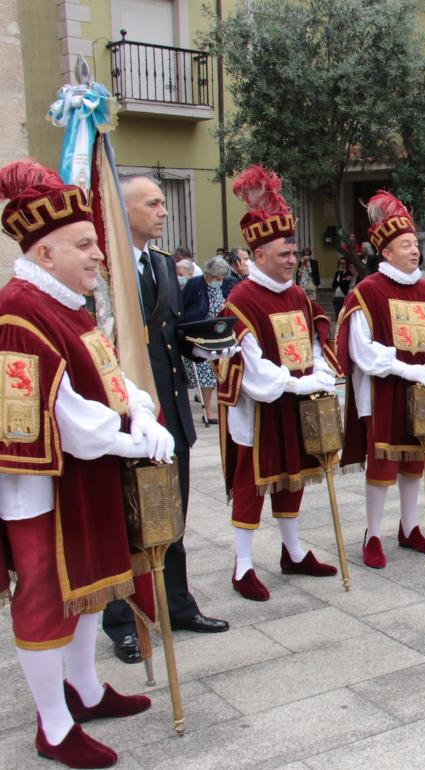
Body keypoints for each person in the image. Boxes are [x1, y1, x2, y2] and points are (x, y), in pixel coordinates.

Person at [0, 159, 174, 768]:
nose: (100, 254)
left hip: (84, 471)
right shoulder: (21, 311)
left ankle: (87, 689)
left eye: (97, 242)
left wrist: (143, 411)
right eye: (85, 244)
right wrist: (135, 440)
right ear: (44, 254)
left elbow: (109, 380)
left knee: (89, 588)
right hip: (41, 485)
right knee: (47, 593)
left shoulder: (66, 304)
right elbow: (68, 417)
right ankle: (53, 725)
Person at [101, 175, 230, 667]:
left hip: (169, 406)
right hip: (125, 410)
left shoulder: (160, 265)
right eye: (153, 203)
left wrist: (207, 342)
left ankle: (177, 603)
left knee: (172, 511)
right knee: (127, 515)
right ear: (125, 209)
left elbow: (169, 334)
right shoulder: (107, 268)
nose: (163, 211)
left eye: (163, 202)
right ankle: (124, 620)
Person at [217, 165, 341, 601]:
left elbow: (311, 343)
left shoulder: (297, 296)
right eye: (284, 253)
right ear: (259, 255)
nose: (293, 260)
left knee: (293, 477)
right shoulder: (241, 299)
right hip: (259, 407)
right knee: (253, 483)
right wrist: (295, 383)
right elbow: (250, 367)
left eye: (295, 252)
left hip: (295, 402)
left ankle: (293, 551)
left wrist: (319, 375)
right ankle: (243, 565)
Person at [338, 191, 425, 567]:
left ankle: (410, 527)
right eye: (405, 245)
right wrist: (406, 368)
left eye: (415, 244)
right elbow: (361, 350)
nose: (414, 251)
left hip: (422, 392)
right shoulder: (367, 292)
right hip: (383, 390)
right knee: (383, 462)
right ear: (386, 253)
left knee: (414, 460)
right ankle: (372, 533)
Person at [182, 256, 232, 425]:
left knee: (222, 371)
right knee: (206, 373)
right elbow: (184, 306)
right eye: (217, 278)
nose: (220, 281)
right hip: (201, 336)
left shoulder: (223, 285)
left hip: (220, 334)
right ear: (209, 275)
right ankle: (208, 411)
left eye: (222, 278)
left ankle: (223, 404)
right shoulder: (195, 284)